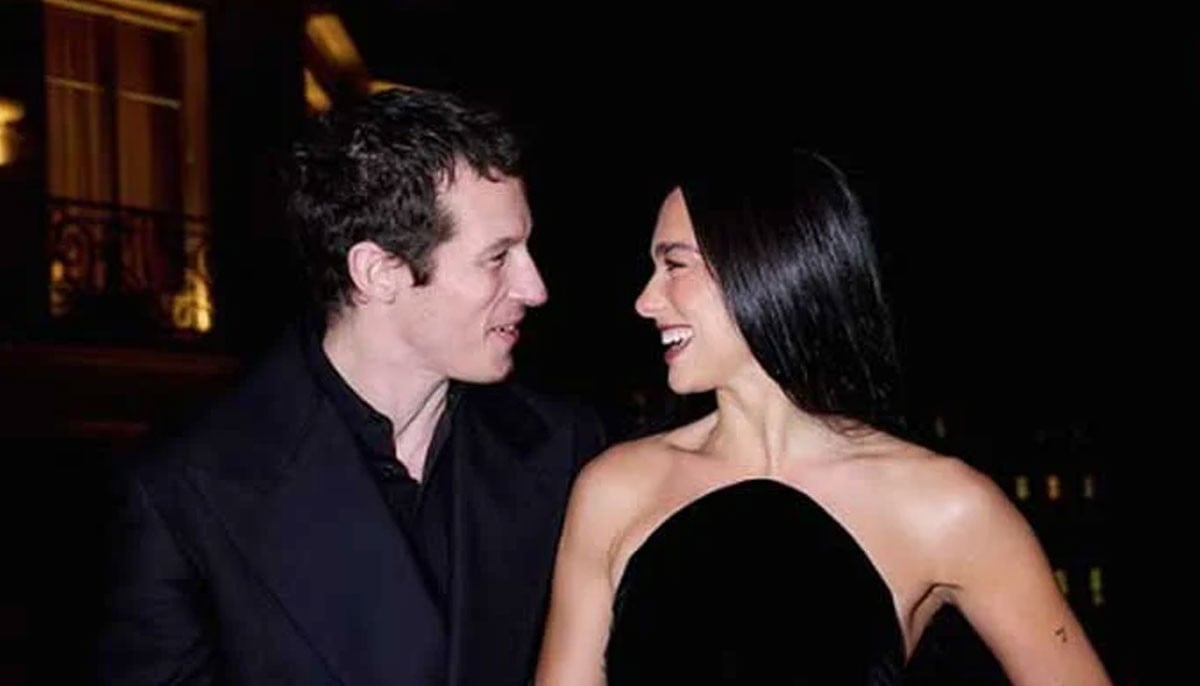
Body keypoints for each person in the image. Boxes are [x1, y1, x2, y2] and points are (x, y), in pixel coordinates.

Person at [535, 149, 1111, 684]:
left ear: (762, 264)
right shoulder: (616, 489)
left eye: (675, 265)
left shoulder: (944, 505)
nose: (645, 301)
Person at [98, 88, 606, 685]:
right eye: (498, 257)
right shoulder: (185, 487)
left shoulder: (568, 447)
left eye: (525, 249)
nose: (535, 288)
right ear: (379, 272)